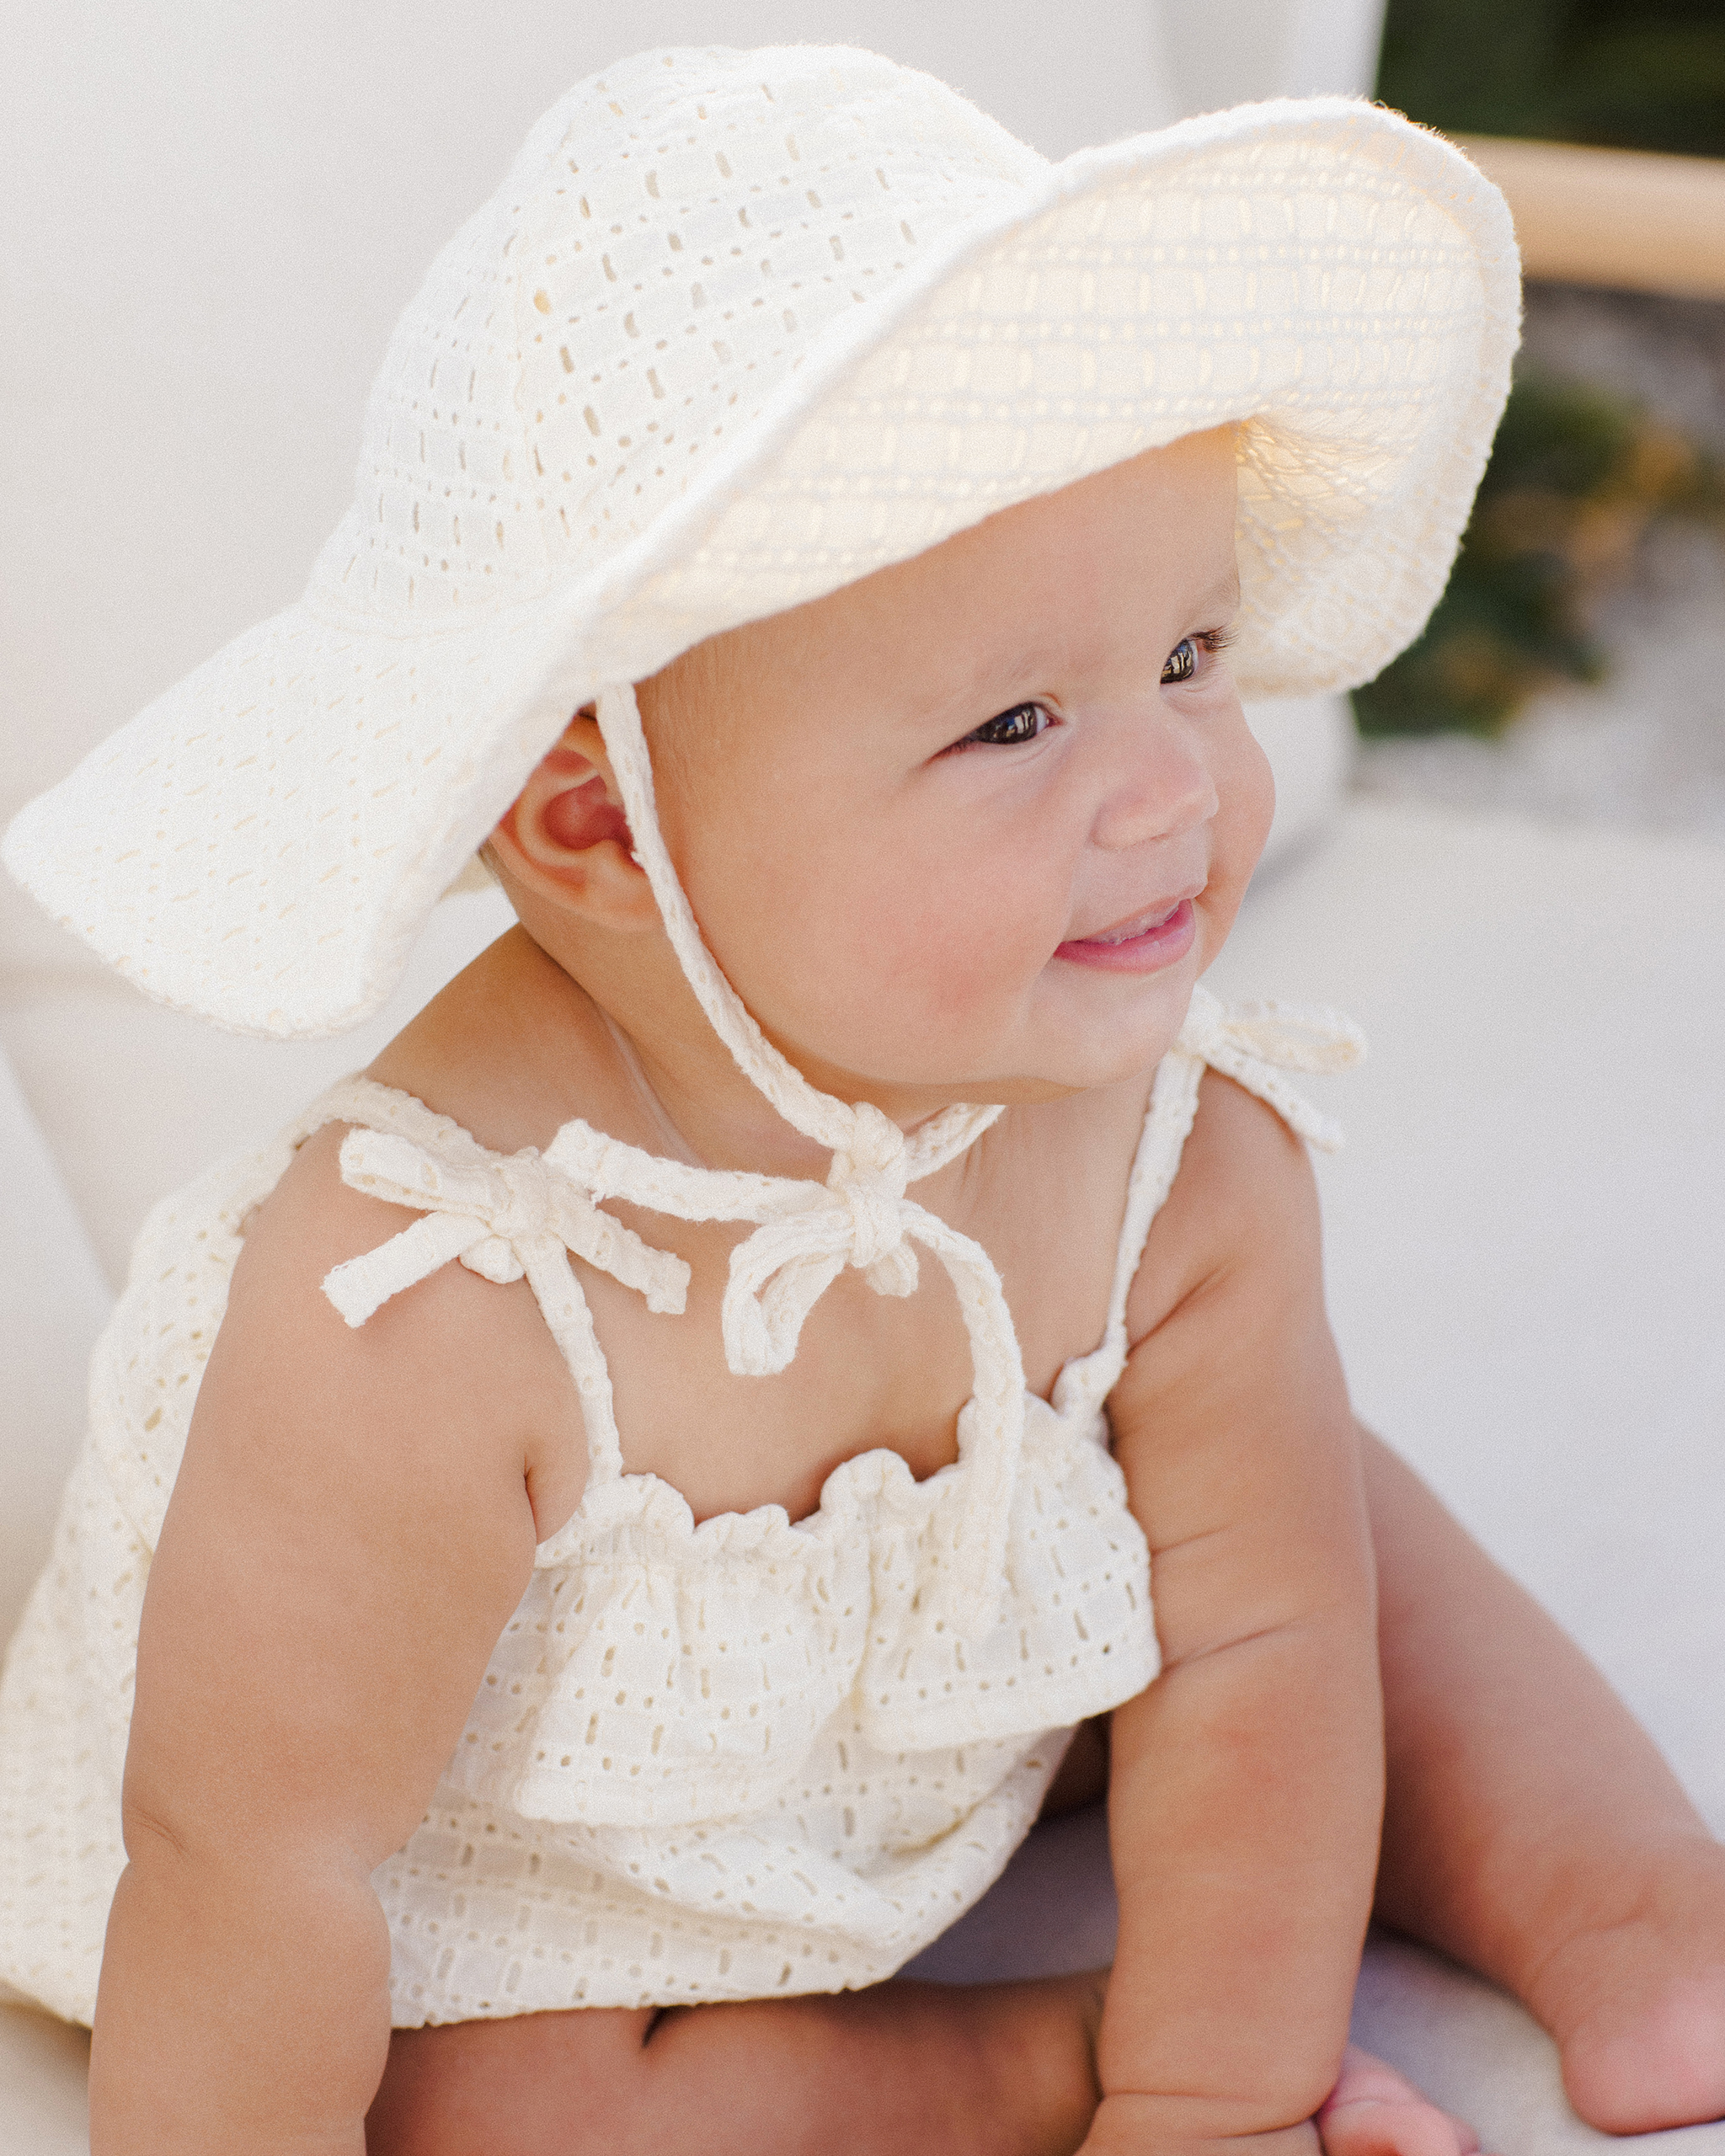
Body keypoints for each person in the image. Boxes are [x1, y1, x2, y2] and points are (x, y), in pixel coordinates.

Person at [3, 45, 1722, 2156]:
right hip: (551, 1871)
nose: (1172, 785)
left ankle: (1623, 1887)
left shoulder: (1170, 1151)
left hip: (966, 1701)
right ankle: (1033, 2050)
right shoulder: (420, 1304)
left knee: (1328, 1534)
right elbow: (256, 1869)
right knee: (495, 2112)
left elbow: (1265, 1646)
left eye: (1189, 657)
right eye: (1014, 722)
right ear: (596, 827)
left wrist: (1219, 2101)